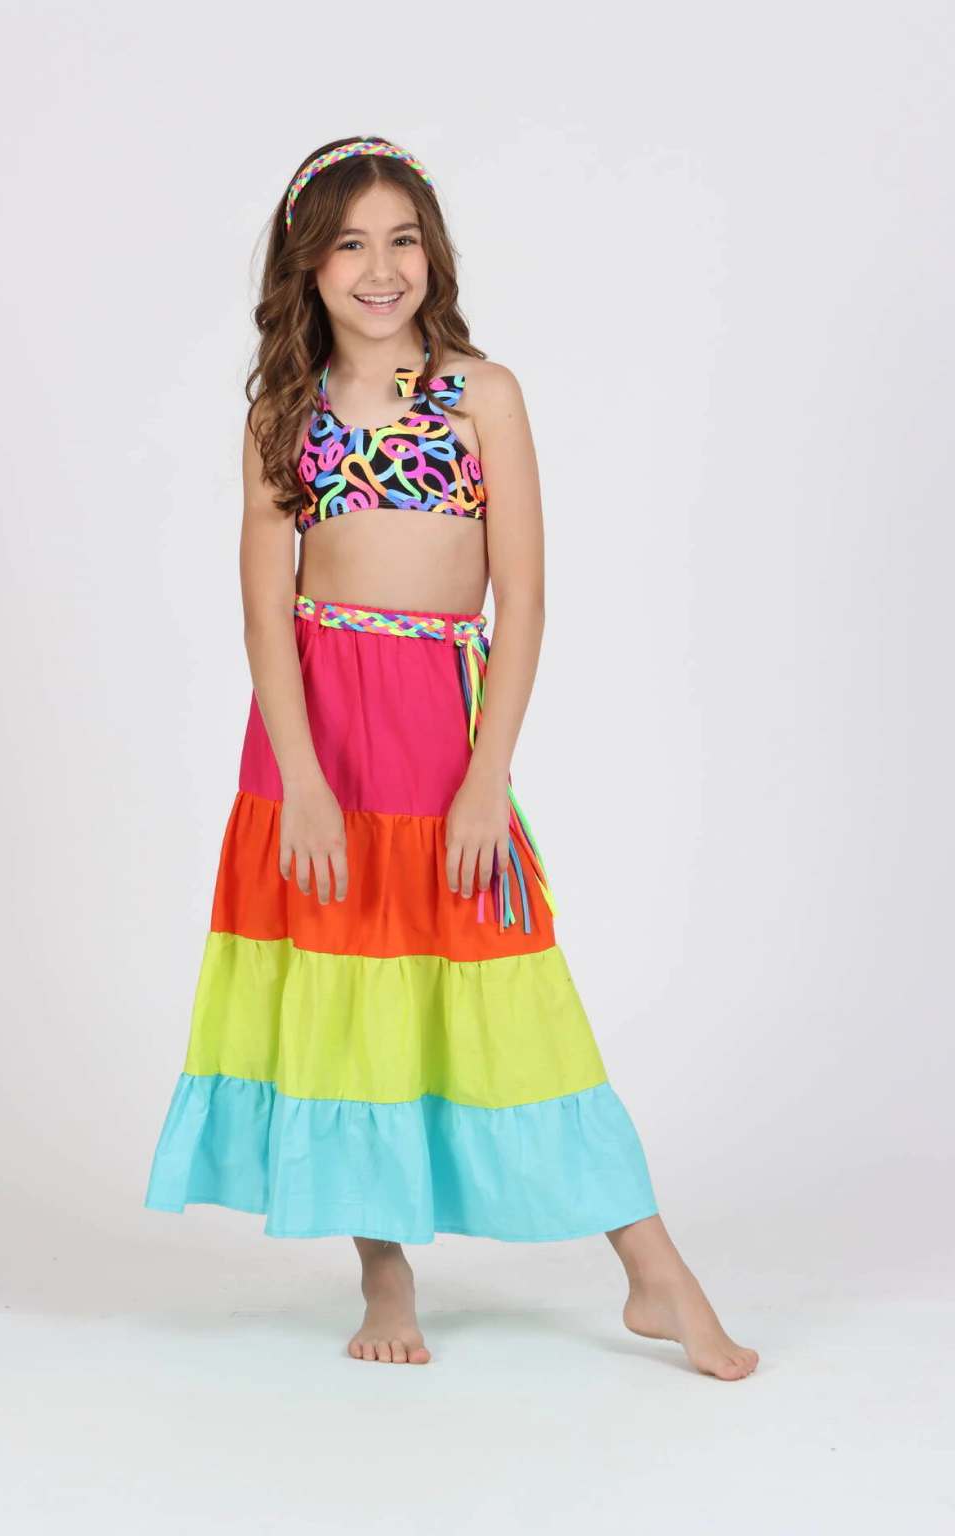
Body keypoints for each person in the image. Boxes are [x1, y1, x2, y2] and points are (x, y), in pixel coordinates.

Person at [144, 135, 759, 1381]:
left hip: (440, 734)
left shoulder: (483, 394)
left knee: (510, 981)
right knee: (344, 988)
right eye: (350, 245)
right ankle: (383, 1269)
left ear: (434, 255)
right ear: (307, 268)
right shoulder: (283, 413)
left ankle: (654, 1273)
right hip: (314, 742)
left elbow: (521, 598)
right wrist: (302, 785)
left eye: (403, 240)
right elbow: (265, 611)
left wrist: (486, 778)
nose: (381, 268)